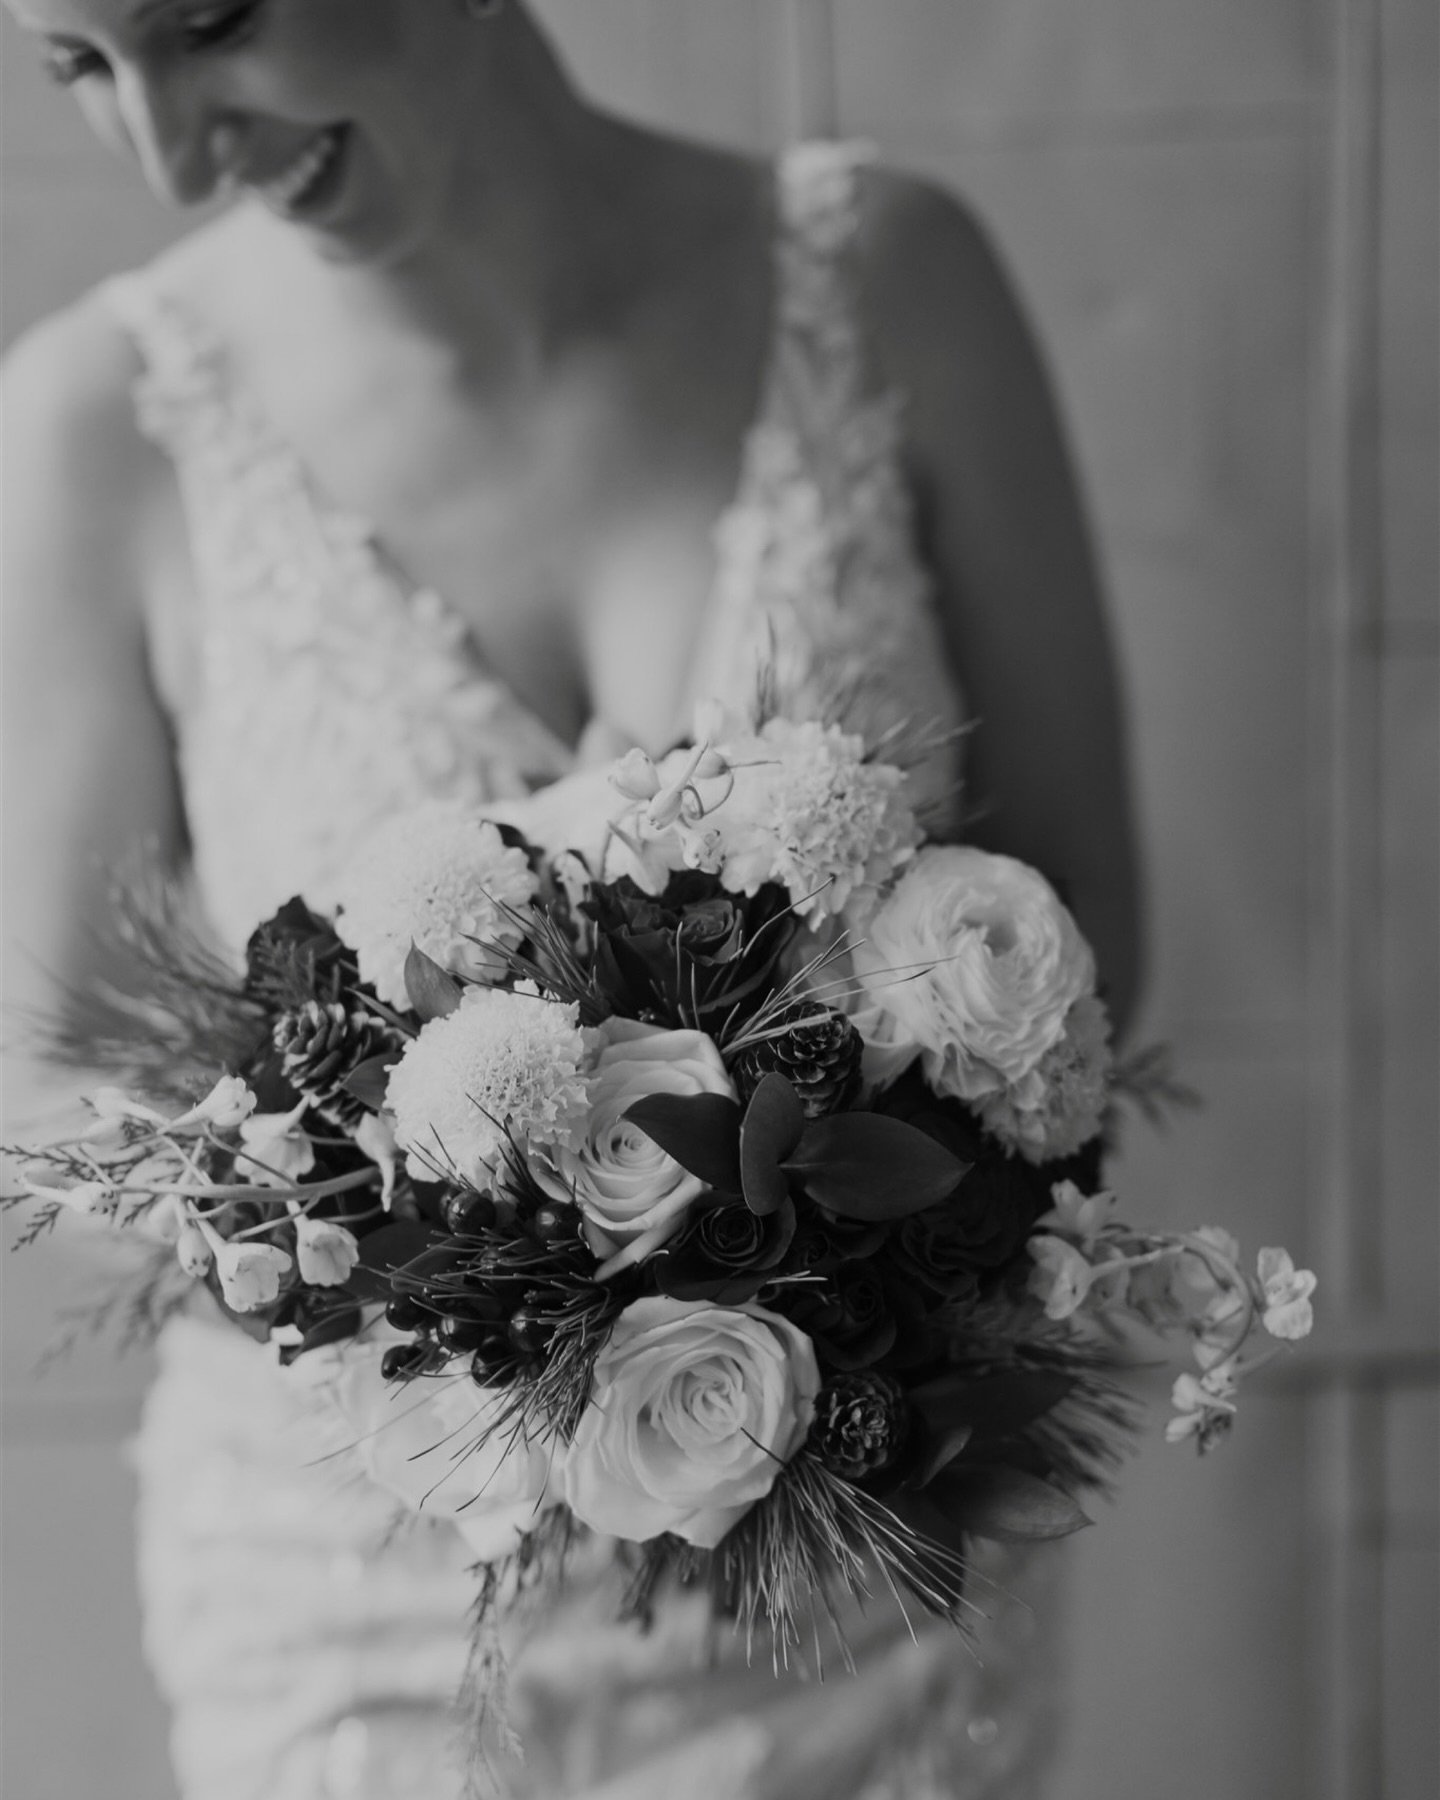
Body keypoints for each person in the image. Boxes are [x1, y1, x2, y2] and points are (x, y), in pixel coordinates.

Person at [2, 2, 1142, 1795]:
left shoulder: (889, 278)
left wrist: (816, 1262)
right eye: (75, 65)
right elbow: (48, 1093)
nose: (166, 146)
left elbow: (1087, 952)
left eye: (206, 24)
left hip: (864, 1582)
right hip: (368, 1617)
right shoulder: (96, 420)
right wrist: (473, 1274)